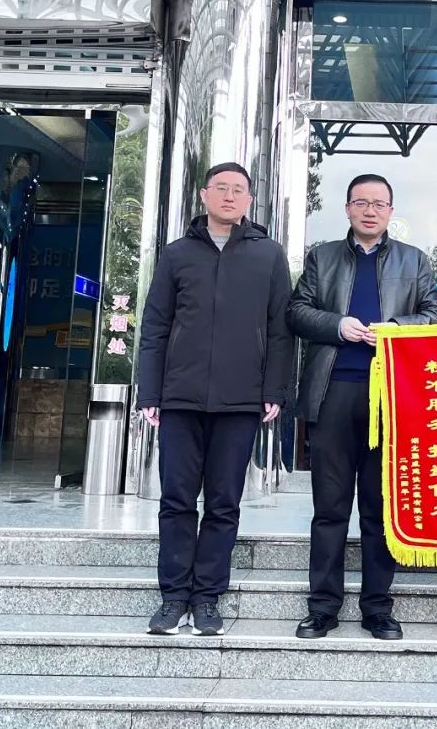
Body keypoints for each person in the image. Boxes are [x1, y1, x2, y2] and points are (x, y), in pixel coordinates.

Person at [137, 162, 292, 636]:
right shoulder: (177, 254)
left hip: (241, 401)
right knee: (177, 500)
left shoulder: (268, 255)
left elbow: (281, 331)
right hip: (180, 399)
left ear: (249, 200)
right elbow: (155, 326)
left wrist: (275, 390)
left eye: (238, 190)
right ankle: (173, 597)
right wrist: (149, 390)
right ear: (203, 195)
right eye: (220, 188)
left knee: (224, 503)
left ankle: (206, 598)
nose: (229, 196)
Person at [288, 173, 437, 641]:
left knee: (380, 511)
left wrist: (396, 326)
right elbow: (297, 312)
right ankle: (323, 608)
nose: (370, 210)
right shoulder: (322, 257)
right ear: (348, 209)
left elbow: (436, 314)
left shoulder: (414, 260)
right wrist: (338, 325)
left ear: (391, 211)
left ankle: (377, 608)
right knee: (329, 509)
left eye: (379, 203)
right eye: (361, 202)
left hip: (391, 398)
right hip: (334, 391)